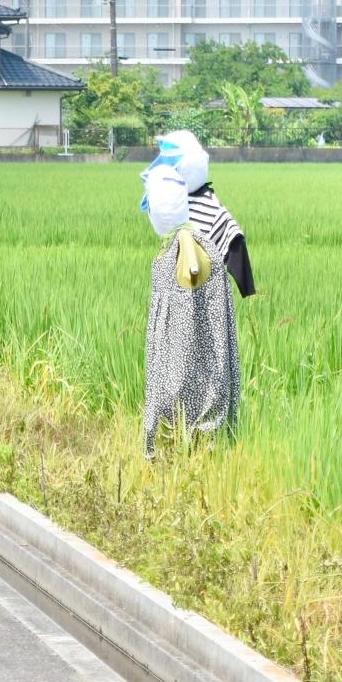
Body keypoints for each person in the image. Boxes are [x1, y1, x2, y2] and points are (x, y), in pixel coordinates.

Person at [140, 130, 251, 457]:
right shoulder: (204, 219)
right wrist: (247, 289)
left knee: (175, 371)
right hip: (210, 316)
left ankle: (172, 435)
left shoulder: (171, 243)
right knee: (212, 369)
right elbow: (235, 241)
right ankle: (208, 438)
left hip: (182, 323)